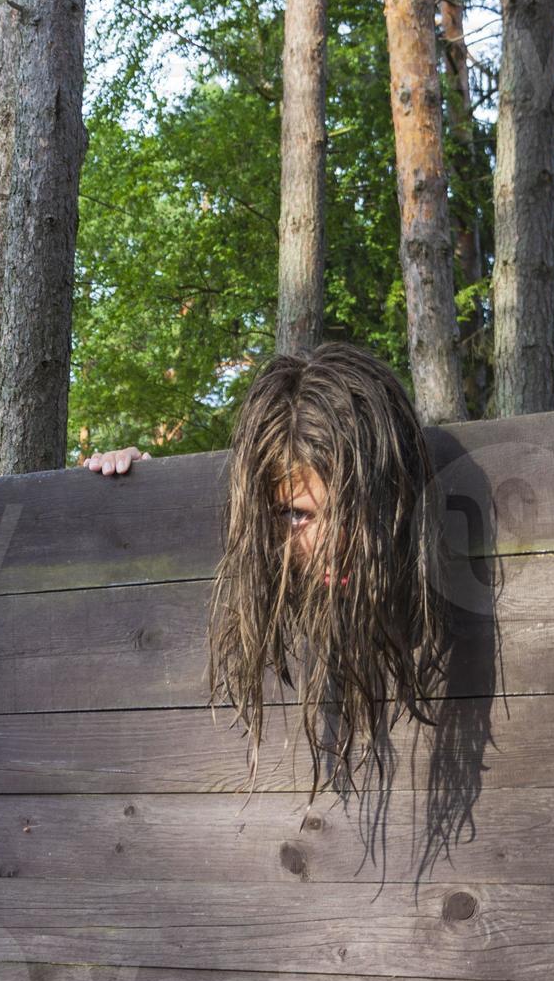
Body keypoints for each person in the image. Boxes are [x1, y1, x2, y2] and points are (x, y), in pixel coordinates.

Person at [80, 342, 453, 803]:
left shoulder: (415, 562)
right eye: (296, 515)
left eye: (353, 511)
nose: (331, 545)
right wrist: (151, 501)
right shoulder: (255, 550)